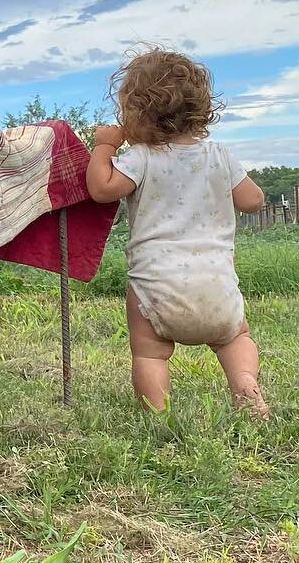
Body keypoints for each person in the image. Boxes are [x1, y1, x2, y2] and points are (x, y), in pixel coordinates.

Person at [85, 46, 268, 416]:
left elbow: (102, 190)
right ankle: (245, 385)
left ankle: (158, 414)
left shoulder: (141, 157)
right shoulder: (219, 155)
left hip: (156, 283)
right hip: (216, 282)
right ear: (200, 108)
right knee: (236, 338)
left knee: (149, 351)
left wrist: (104, 146)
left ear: (135, 111)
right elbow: (253, 201)